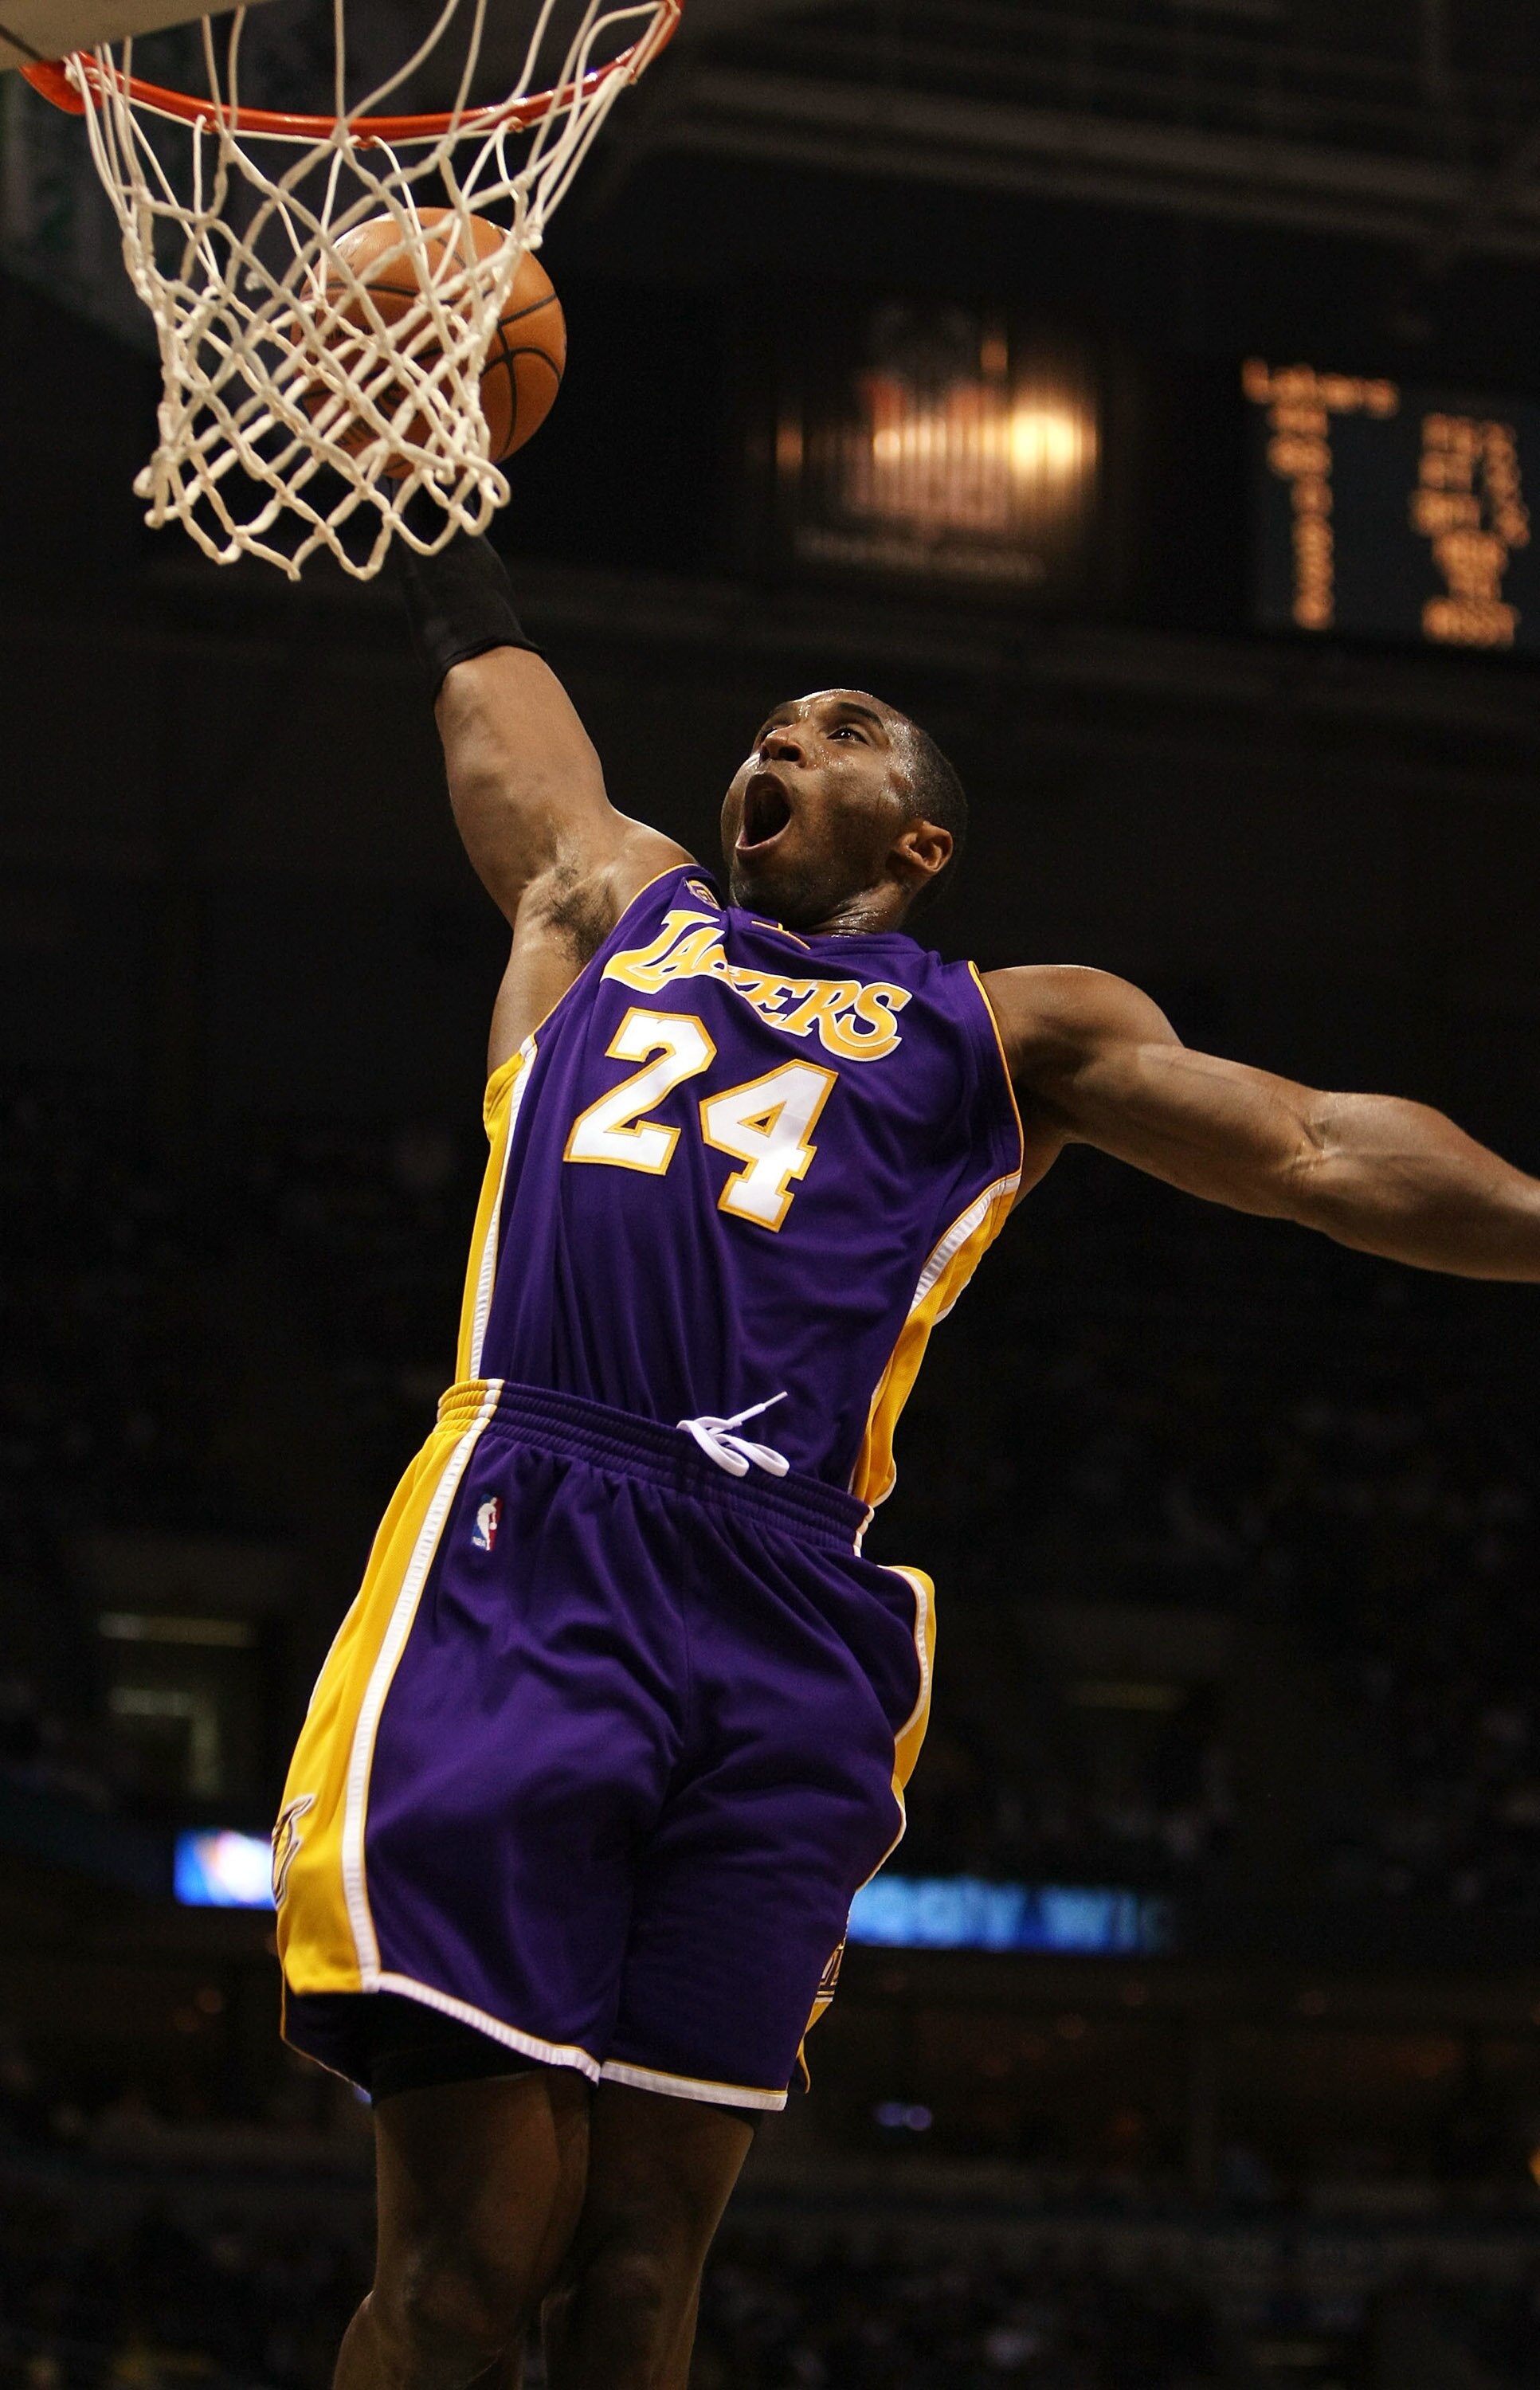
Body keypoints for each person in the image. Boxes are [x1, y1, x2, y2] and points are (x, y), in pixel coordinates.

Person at [272, 530, 1540, 2390]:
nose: (780, 734)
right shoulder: (617, 906)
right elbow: (494, 698)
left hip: (793, 1614)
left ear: (921, 842)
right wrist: (435, 512)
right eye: (771, 724)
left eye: (840, 724)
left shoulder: (1007, 1028)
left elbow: (1319, 1150)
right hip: (534, 1536)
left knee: (640, 2275)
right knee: (472, 2264)